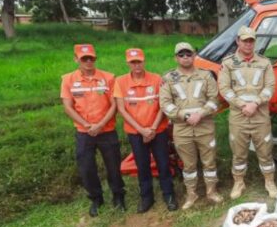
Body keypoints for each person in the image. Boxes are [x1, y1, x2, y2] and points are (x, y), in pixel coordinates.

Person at [60, 43, 125, 217]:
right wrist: (87, 125)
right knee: (87, 167)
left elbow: (114, 105)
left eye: (91, 58)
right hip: (84, 132)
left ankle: (118, 196)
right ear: (76, 59)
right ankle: (96, 198)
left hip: (107, 130)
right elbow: (68, 106)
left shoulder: (109, 78)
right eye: (84, 59)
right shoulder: (68, 80)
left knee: (113, 165)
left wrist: (100, 124)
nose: (88, 62)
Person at [159, 42, 222, 209]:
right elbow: (165, 104)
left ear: (194, 55)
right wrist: (184, 116)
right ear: (176, 57)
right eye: (181, 55)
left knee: (209, 162)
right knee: (188, 164)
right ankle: (191, 194)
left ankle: (211, 191)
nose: (185, 57)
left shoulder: (206, 76)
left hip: (205, 126)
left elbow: (215, 100)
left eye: (188, 54)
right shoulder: (168, 78)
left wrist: (200, 114)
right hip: (182, 128)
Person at [218, 26, 277, 199]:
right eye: (245, 40)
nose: (248, 44)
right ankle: (238, 182)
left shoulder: (264, 62)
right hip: (239, 116)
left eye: (251, 40)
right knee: (238, 152)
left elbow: (270, 87)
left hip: (260, 116)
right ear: (238, 41)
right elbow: (224, 88)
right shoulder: (228, 63)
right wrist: (241, 104)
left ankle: (269, 182)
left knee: (266, 151)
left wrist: (256, 103)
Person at [114, 48, 177, 213]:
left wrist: (153, 128)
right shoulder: (120, 82)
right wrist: (142, 130)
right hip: (136, 133)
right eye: (133, 62)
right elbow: (122, 109)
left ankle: (169, 194)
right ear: (128, 63)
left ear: (144, 61)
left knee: (163, 163)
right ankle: (146, 197)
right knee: (142, 165)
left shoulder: (157, 79)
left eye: (139, 61)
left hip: (158, 130)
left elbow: (163, 105)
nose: (136, 65)